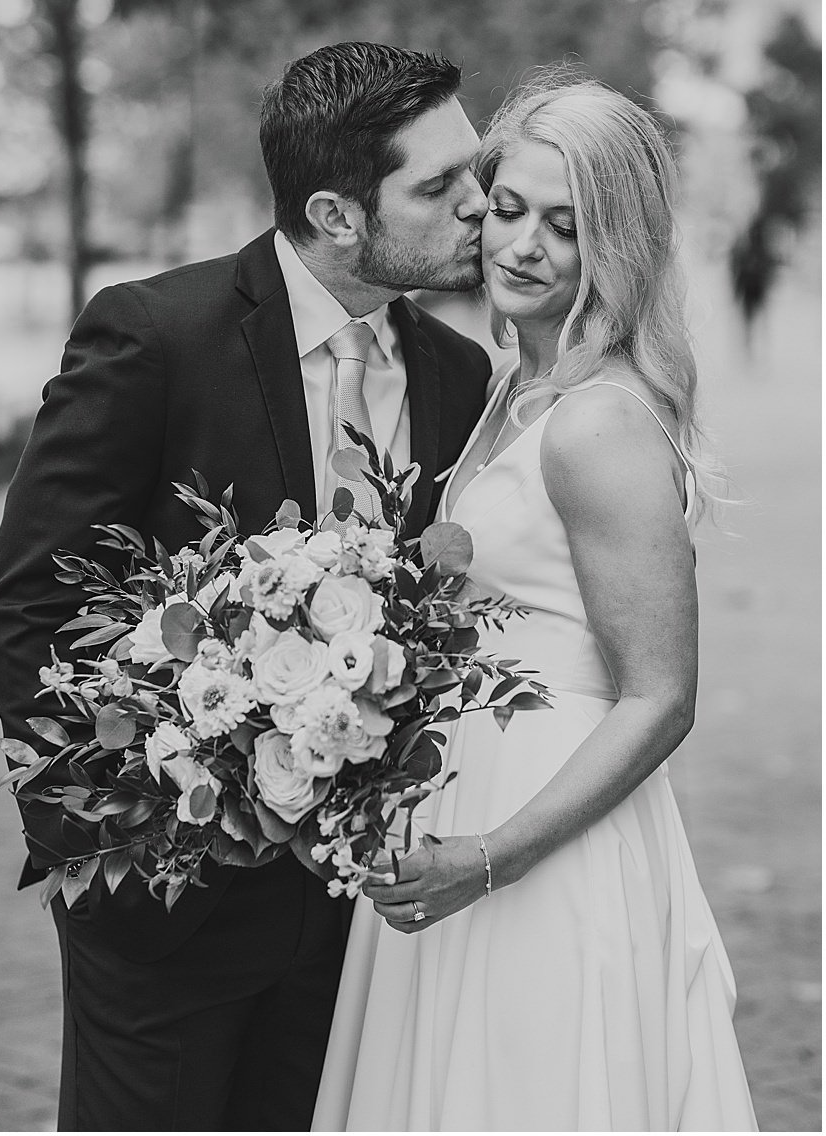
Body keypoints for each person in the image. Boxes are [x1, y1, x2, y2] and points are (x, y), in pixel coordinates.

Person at [0, 41, 493, 1132]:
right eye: (441, 185)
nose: (480, 205)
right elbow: (31, 603)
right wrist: (110, 841)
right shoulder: (155, 334)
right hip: (168, 917)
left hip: (358, 930)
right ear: (338, 213)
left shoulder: (461, 376)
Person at [312, 73, 758, 1132]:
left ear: (618, 241)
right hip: (457, 813)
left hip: (544, 838)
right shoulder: (513, 384)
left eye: (565, 226)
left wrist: (488, 854)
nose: (520, 245)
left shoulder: (597, 422)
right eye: (507, 206)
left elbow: (661, 696)